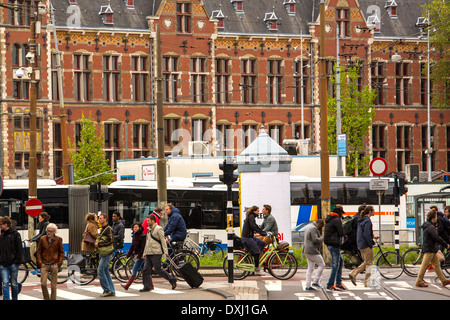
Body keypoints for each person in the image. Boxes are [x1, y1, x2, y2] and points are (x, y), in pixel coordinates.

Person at [141, 214, 177, 292]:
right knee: (146, 270)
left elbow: (163, 240)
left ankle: (172, 279)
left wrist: (165, 252)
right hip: (149, 253)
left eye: (148, 220)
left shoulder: (158, 229)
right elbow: (147, 243)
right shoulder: (149, 230)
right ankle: (147, 287)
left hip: (156, 252)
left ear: (153, 221)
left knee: (158, 269)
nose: (147, 222)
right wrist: (144, 253)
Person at [416, 209, 450, 288]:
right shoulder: (430, 227)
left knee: (437, 265)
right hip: (429, 249)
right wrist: (446, 244)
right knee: (424, 265)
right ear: (433, 218)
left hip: (432, 249)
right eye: (435, 217)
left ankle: (443, 280)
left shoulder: (428, 225)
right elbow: (436, 237)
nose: (436, 219)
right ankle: (419, 281)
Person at [349, 205, 379, 287]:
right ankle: (366, 282)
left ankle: (353, 273)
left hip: (360, 244)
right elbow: (366, 234)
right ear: (370, 212)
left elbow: (364, 232)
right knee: (369, 264)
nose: (374, 212)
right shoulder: (367, 221)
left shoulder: (361, 220)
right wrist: (371, 243)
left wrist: (372, 236)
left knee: (366, 262)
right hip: (365, 245)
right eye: (373, 210)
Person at [36, 223, 64, 300]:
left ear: (54, 232)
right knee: (43, 284)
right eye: (47, 231)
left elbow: (61, 252)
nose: (48, 233)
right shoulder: (42, 239)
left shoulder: (58, 239)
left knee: (53, 286)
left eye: (51, 231)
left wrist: (59, 263)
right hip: (44, 264)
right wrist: (40, 262)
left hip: (54, 264)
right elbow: (39, 251)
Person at [0, 216, 23, 300]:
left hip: (13, 263)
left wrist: (17, 261)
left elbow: (19, 248)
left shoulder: (15, 234)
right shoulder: (1, 235)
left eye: (1, 224)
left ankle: (14, 298)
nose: (0, 226)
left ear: (6, 224)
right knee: (5, 283)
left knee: (13, 283)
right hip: (3, 263)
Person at [324, 204, 345, 291]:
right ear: (339, 213)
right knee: (335, 264)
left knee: (340, 262)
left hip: (330, 243)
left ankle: (338, 282)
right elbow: (341, 232)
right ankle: (330, 284)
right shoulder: (336, 220)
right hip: (334, 243)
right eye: (341, 213)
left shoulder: (330, 219)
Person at [241, 206, 267, 275]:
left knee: (262, 243)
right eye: (257, 211)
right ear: (254, 211)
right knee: (257, 252)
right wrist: (262, 233)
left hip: (250, 237)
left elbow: (255, 226)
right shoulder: (251, 216)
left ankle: (254, 257)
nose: (258, 213)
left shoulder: (251, 216)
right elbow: (253, 226)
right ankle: (256, 268)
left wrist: (262, 231)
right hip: (247, 238)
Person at [121, 222, 146, 290]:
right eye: (134, 227)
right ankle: (151, 285)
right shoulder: (134, 235)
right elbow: (132, 246)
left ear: (140, 228)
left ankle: (127, 285)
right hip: (137, 255)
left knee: (135, 269)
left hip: (141, 255)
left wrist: (139, 256)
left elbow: (142, 248)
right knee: (144, 270)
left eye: (136, 227)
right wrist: (128, 254)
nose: (135, 229)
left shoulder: (142, 236)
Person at [95, 213, 115, 297]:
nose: (100, 219)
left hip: (106, 253)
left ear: (105, 219)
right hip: (103, 252)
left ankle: (107, 290)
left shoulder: (108, 228)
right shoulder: (102, 228)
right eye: (99, 218)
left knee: (100, 270)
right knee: (106, 271)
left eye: (101, 218)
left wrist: (99, 244)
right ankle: (111, 290)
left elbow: (110, 240)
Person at [303, 219, 325, 290]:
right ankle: (315, 281)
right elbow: (315, 240)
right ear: (319, 223)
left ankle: (308, 285)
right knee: (322, 264)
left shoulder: (309, 226)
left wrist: (319, 237)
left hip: (306, 249)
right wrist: (322, 238)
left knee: (310, 268)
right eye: (321, 226)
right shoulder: (314, 228)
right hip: (312, 250)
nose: (320, 228)